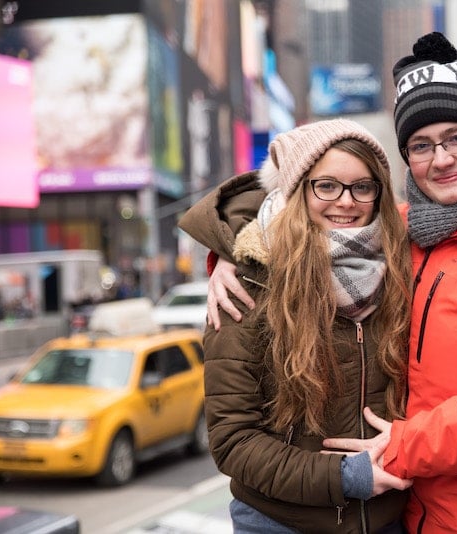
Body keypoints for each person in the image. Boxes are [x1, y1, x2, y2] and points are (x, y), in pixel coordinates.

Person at [204, 32, 457, 532]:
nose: (441, 159)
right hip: (422, 513)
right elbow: (310, 200)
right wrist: (234, 247)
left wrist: (403, 449)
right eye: (421, 145)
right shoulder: (413, 232)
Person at [177, 118, 414, 533]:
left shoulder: (401, 266)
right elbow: (233, 441)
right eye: (327, 185)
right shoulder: (248, 283)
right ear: (298, 188)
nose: (346, 201)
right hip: (281, 523)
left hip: (387, 519)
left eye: (363, 186)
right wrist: (346, 477)